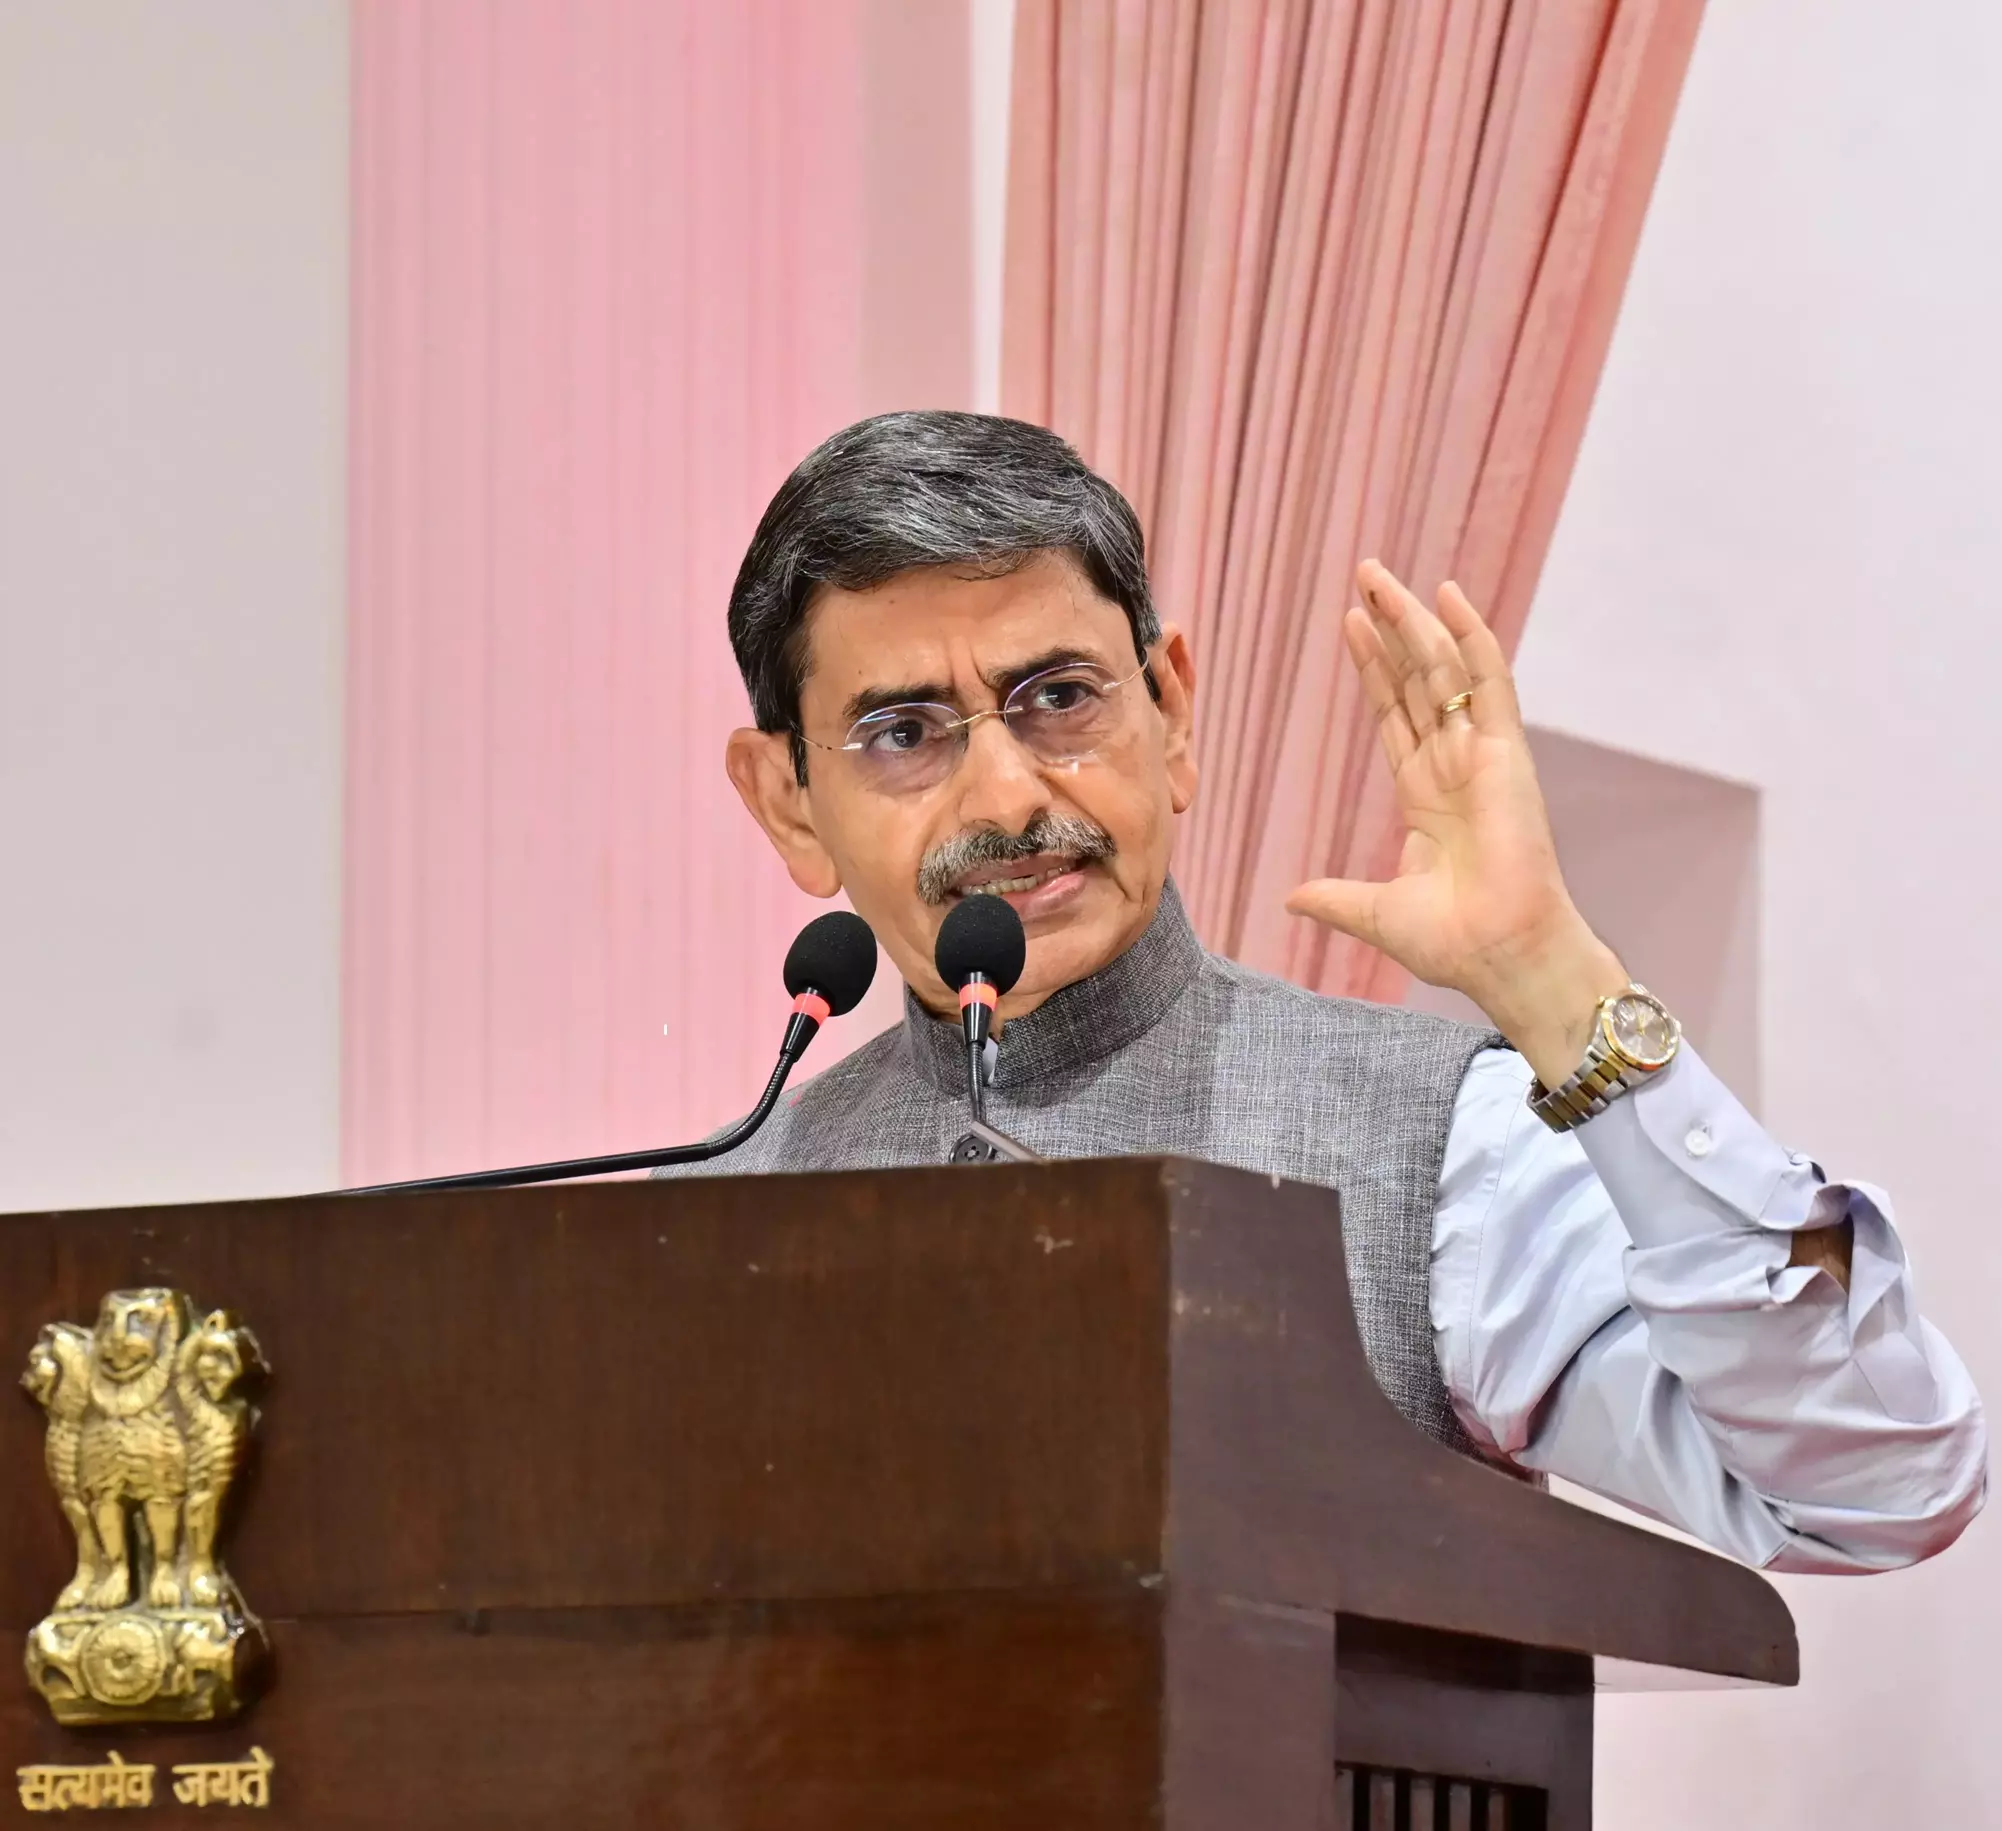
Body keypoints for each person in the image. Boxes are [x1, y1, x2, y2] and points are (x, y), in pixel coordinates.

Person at [674, 409, 1985, 1573]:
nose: (1009, 795)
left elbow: (1874, 1492)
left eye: (1060, 697)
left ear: (1171, 714)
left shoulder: (1435, 1150)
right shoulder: (699, 1228)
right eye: (904, 733)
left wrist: (1555, 983)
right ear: (788, 801)